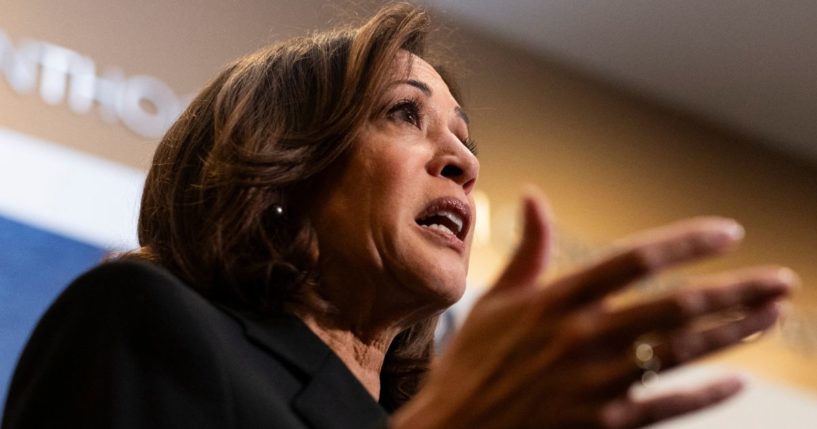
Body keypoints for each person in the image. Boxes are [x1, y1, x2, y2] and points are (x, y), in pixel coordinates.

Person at [2, 4, 795, 429]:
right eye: (403, 114)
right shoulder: (143, 323)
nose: (462, 160)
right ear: (281, 169)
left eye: (464, 138)